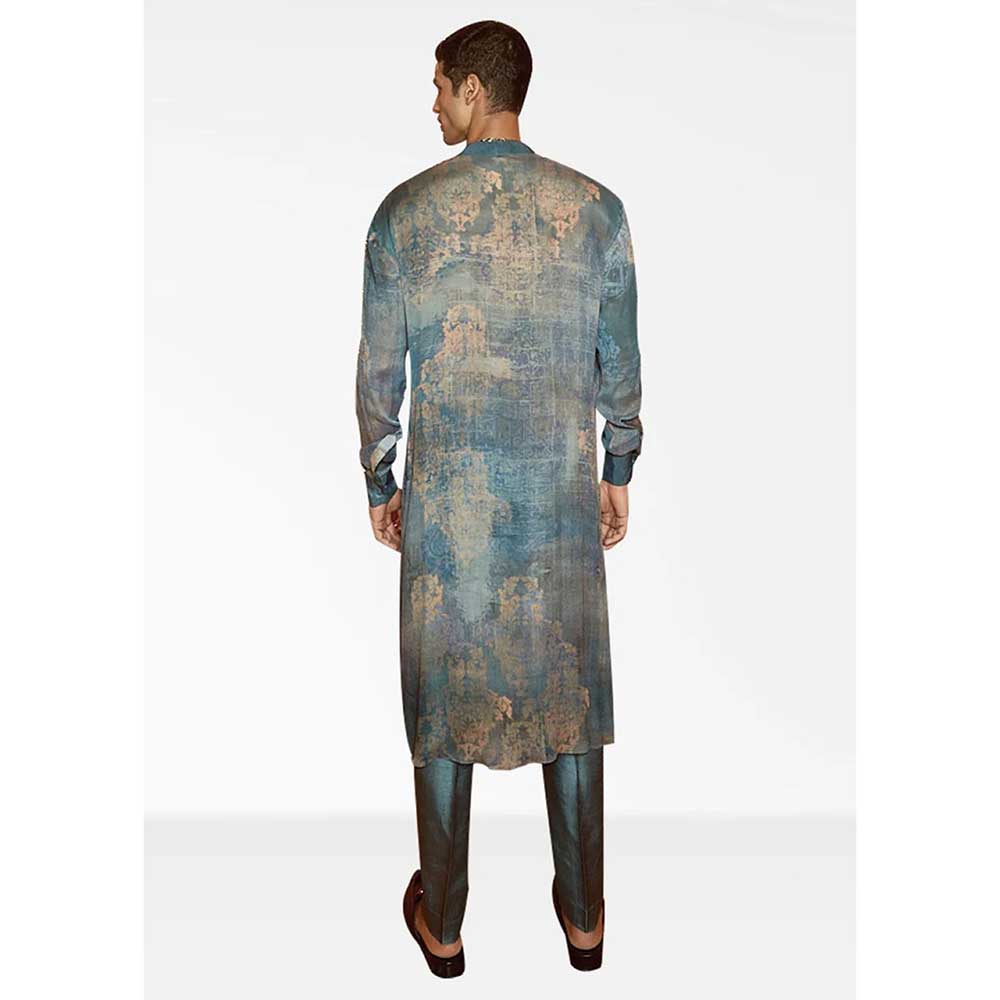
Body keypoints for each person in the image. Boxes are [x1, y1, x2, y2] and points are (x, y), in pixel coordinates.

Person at [354, 20, 642, 977]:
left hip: (451, 522)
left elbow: (378, 374)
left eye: (440, 85)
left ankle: (442, 925)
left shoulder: (405, 215)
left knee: (443, 712)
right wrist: (617, 471)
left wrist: (382, 481)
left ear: (475, 89)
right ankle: (585, 922)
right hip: (560, 514)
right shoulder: (595, 212)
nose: (433, 103)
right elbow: (619, 364)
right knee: (572, 703)